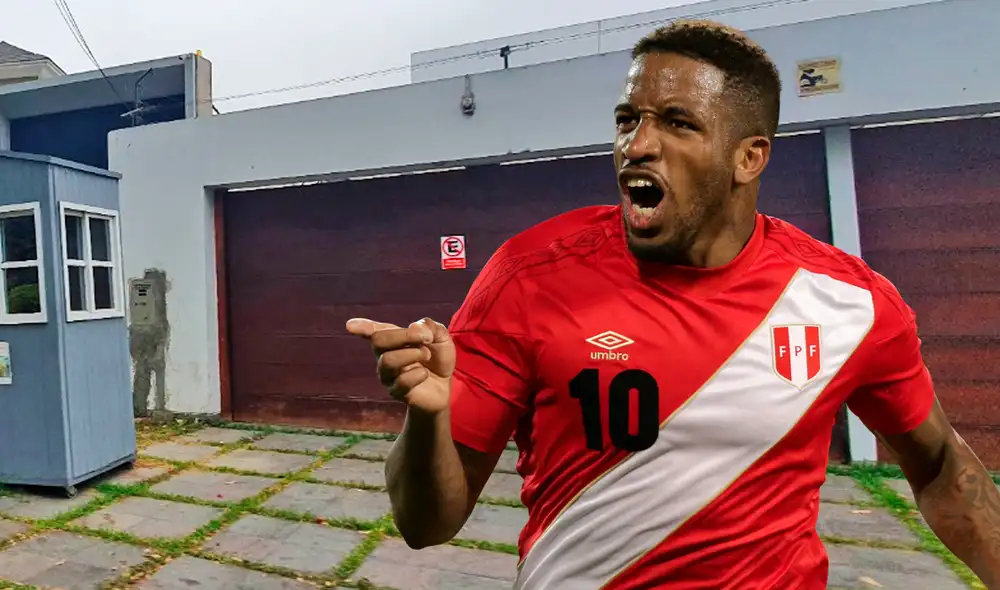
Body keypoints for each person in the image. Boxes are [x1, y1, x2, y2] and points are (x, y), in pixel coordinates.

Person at [346, 19, 1000, 589]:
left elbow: (941, 463)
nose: (637, 144)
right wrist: (426, 419)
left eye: (678, 123)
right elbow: (424, 525)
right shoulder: (530, 276)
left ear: (748, 158)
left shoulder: (847, 303)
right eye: (628, 119)